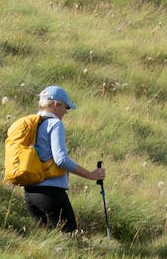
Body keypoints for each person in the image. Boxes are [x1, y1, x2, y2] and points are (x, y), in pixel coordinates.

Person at [22, 85, 106, 232]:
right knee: (69, 236)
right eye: (65, 108)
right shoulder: (55, 124)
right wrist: (91, 175)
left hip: (30, 192)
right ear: (56, 105)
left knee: (46, 240)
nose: (65, 112)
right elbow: (60, 159)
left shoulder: (32, 125)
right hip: (50, 191)